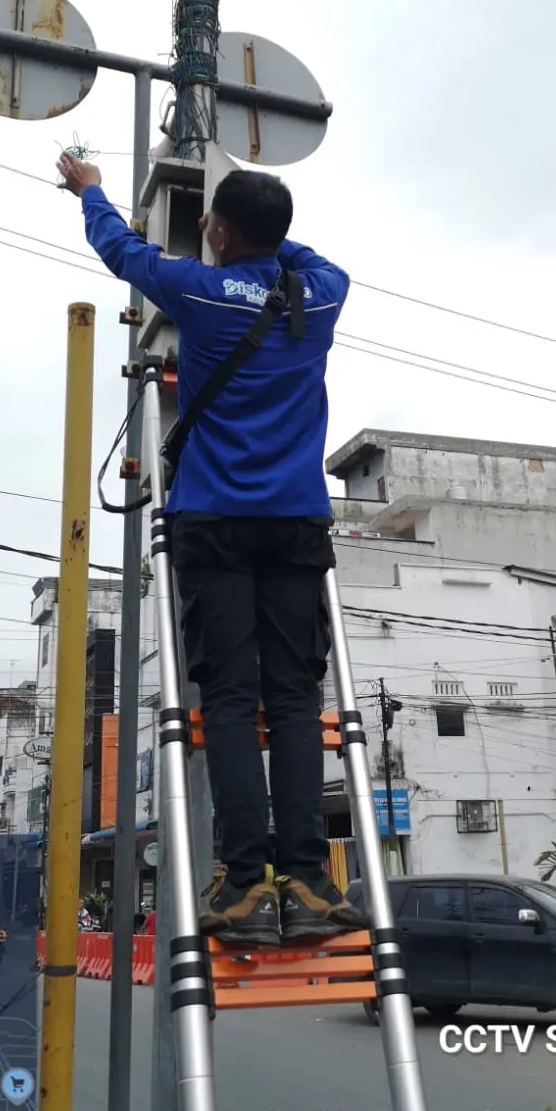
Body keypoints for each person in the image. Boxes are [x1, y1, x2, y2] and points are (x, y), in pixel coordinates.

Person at [58, 152, 366, 946]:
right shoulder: (321, 293)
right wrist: (261, 241)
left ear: (216, 230)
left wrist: (91, 192)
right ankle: (307, 876)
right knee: (296, 701)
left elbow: (123, 252)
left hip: (215, 522)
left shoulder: (197, 289)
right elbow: (303, 256)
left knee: (229, 701)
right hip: (297, 526)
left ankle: (241, 882)